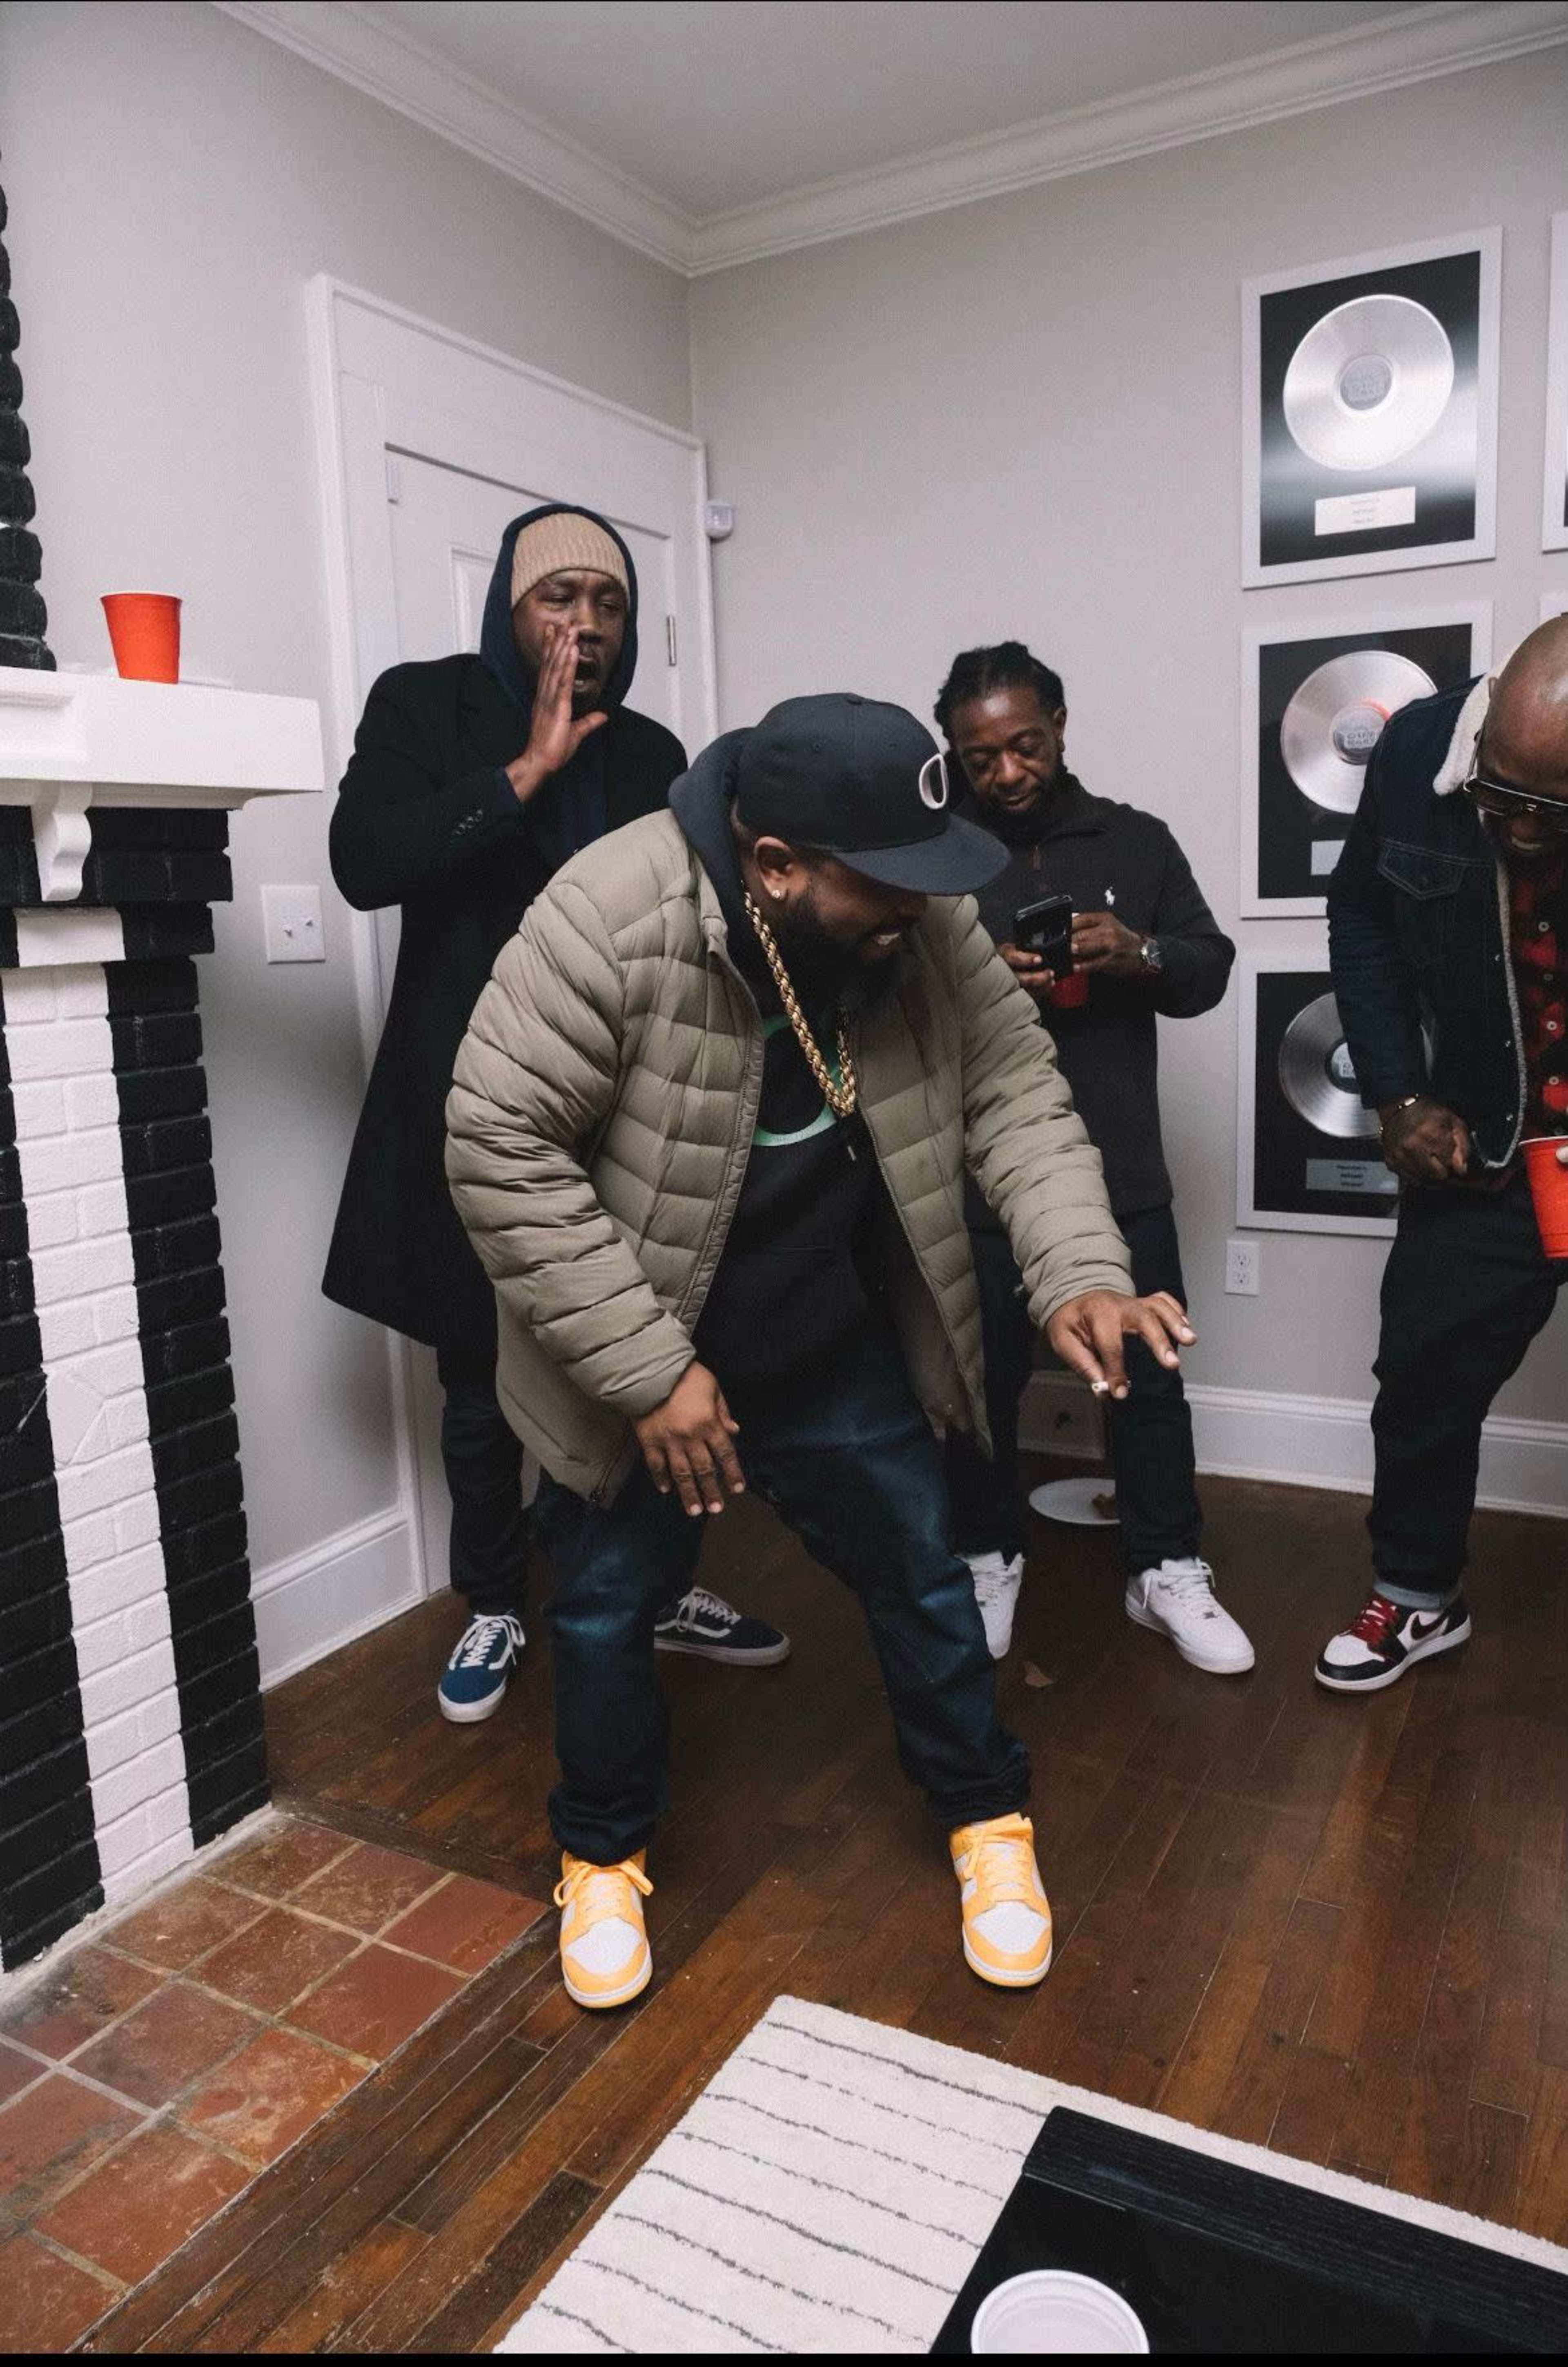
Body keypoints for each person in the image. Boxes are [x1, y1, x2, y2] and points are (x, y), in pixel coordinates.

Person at [446, 691, 1197, 2008]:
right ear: (776, 867)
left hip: (821, 1329)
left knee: (921, 1564)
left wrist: (1081, 1264)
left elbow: (1015, 1088)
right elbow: (496, 1146)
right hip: (643, 1344)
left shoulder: (917, 906)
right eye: (890, 887)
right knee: (609, 1604)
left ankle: (985, 1819)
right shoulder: (608, 915)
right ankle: (603, 1852)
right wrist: (647, 1372)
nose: (928, 907)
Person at [324, 504, 786, 1724]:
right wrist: (523, 772)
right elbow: (365, 860)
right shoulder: (424, 707)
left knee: (643, 1347)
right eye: (557, 598)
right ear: (511, 609)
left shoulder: (652, 752)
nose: (584, 624)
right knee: (477, 1373)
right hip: (473, 1101)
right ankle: (492, 1597)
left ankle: (654, 1584)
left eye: (610, 603)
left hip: (629, 1112)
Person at [934, 642, 1252, 1674]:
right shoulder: (934, 861)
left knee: (1150, 1379)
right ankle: (987, 1557)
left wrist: (1137, 952)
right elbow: (883, 1013)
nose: (1009, 773)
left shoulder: (1137, 841)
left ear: (1062, 724)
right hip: (975, 1177)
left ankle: (1165, 1567)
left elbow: (1208, 969)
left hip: (1121, 1174)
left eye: (1025, 745)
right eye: (982, 759)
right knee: (975, 1389)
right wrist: (980, 984)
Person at [1320, 617, 1568, 1692]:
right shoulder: (1420, 744)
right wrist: (1398, 1093)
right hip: (1492, 1140)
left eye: (1547, 811)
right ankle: (1418, 1597)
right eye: (1496, 794)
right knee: (1423, 1372)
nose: (1514, 828)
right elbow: (1363, 919)